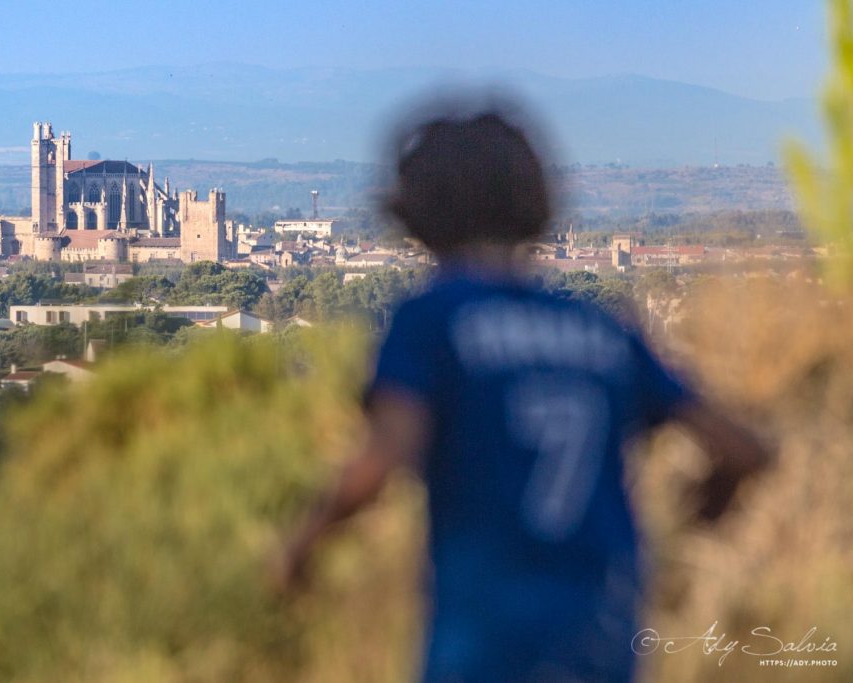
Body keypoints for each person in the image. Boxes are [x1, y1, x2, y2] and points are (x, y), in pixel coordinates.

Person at [277, 93, 771, 682]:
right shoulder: (604, 331)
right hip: (604, 642)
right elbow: (748, 449)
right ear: (535, 202)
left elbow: (380, 460)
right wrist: (703, 509)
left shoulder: (434, 321)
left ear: (414, 212)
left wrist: (301, 546)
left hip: (484, 648)